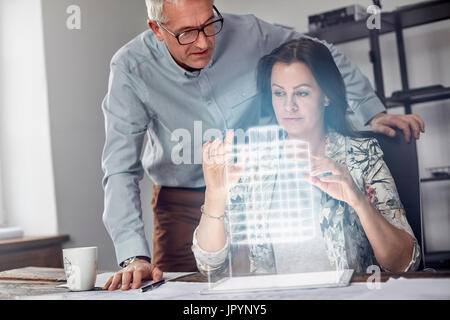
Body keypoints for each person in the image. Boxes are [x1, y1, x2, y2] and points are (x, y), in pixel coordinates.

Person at [102, 0, 424, 290]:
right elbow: (119, 169)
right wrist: (134, 257)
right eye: (187, 32)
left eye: (208, 24)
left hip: (251, 176)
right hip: (187, 200)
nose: (203, 41)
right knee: (187, 292)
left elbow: (316, 57)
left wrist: (372, 110)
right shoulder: (131, 68)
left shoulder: (251, 33)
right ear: (157, 30)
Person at [193, 38, 421, 275]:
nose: (288, 106)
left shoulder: (362, 156)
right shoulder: (252, 163)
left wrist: (358, 200)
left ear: (326, 96)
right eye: (279, 93)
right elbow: (210, 265)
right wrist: (214, 195)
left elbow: (405, 263)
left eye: (301, 93)